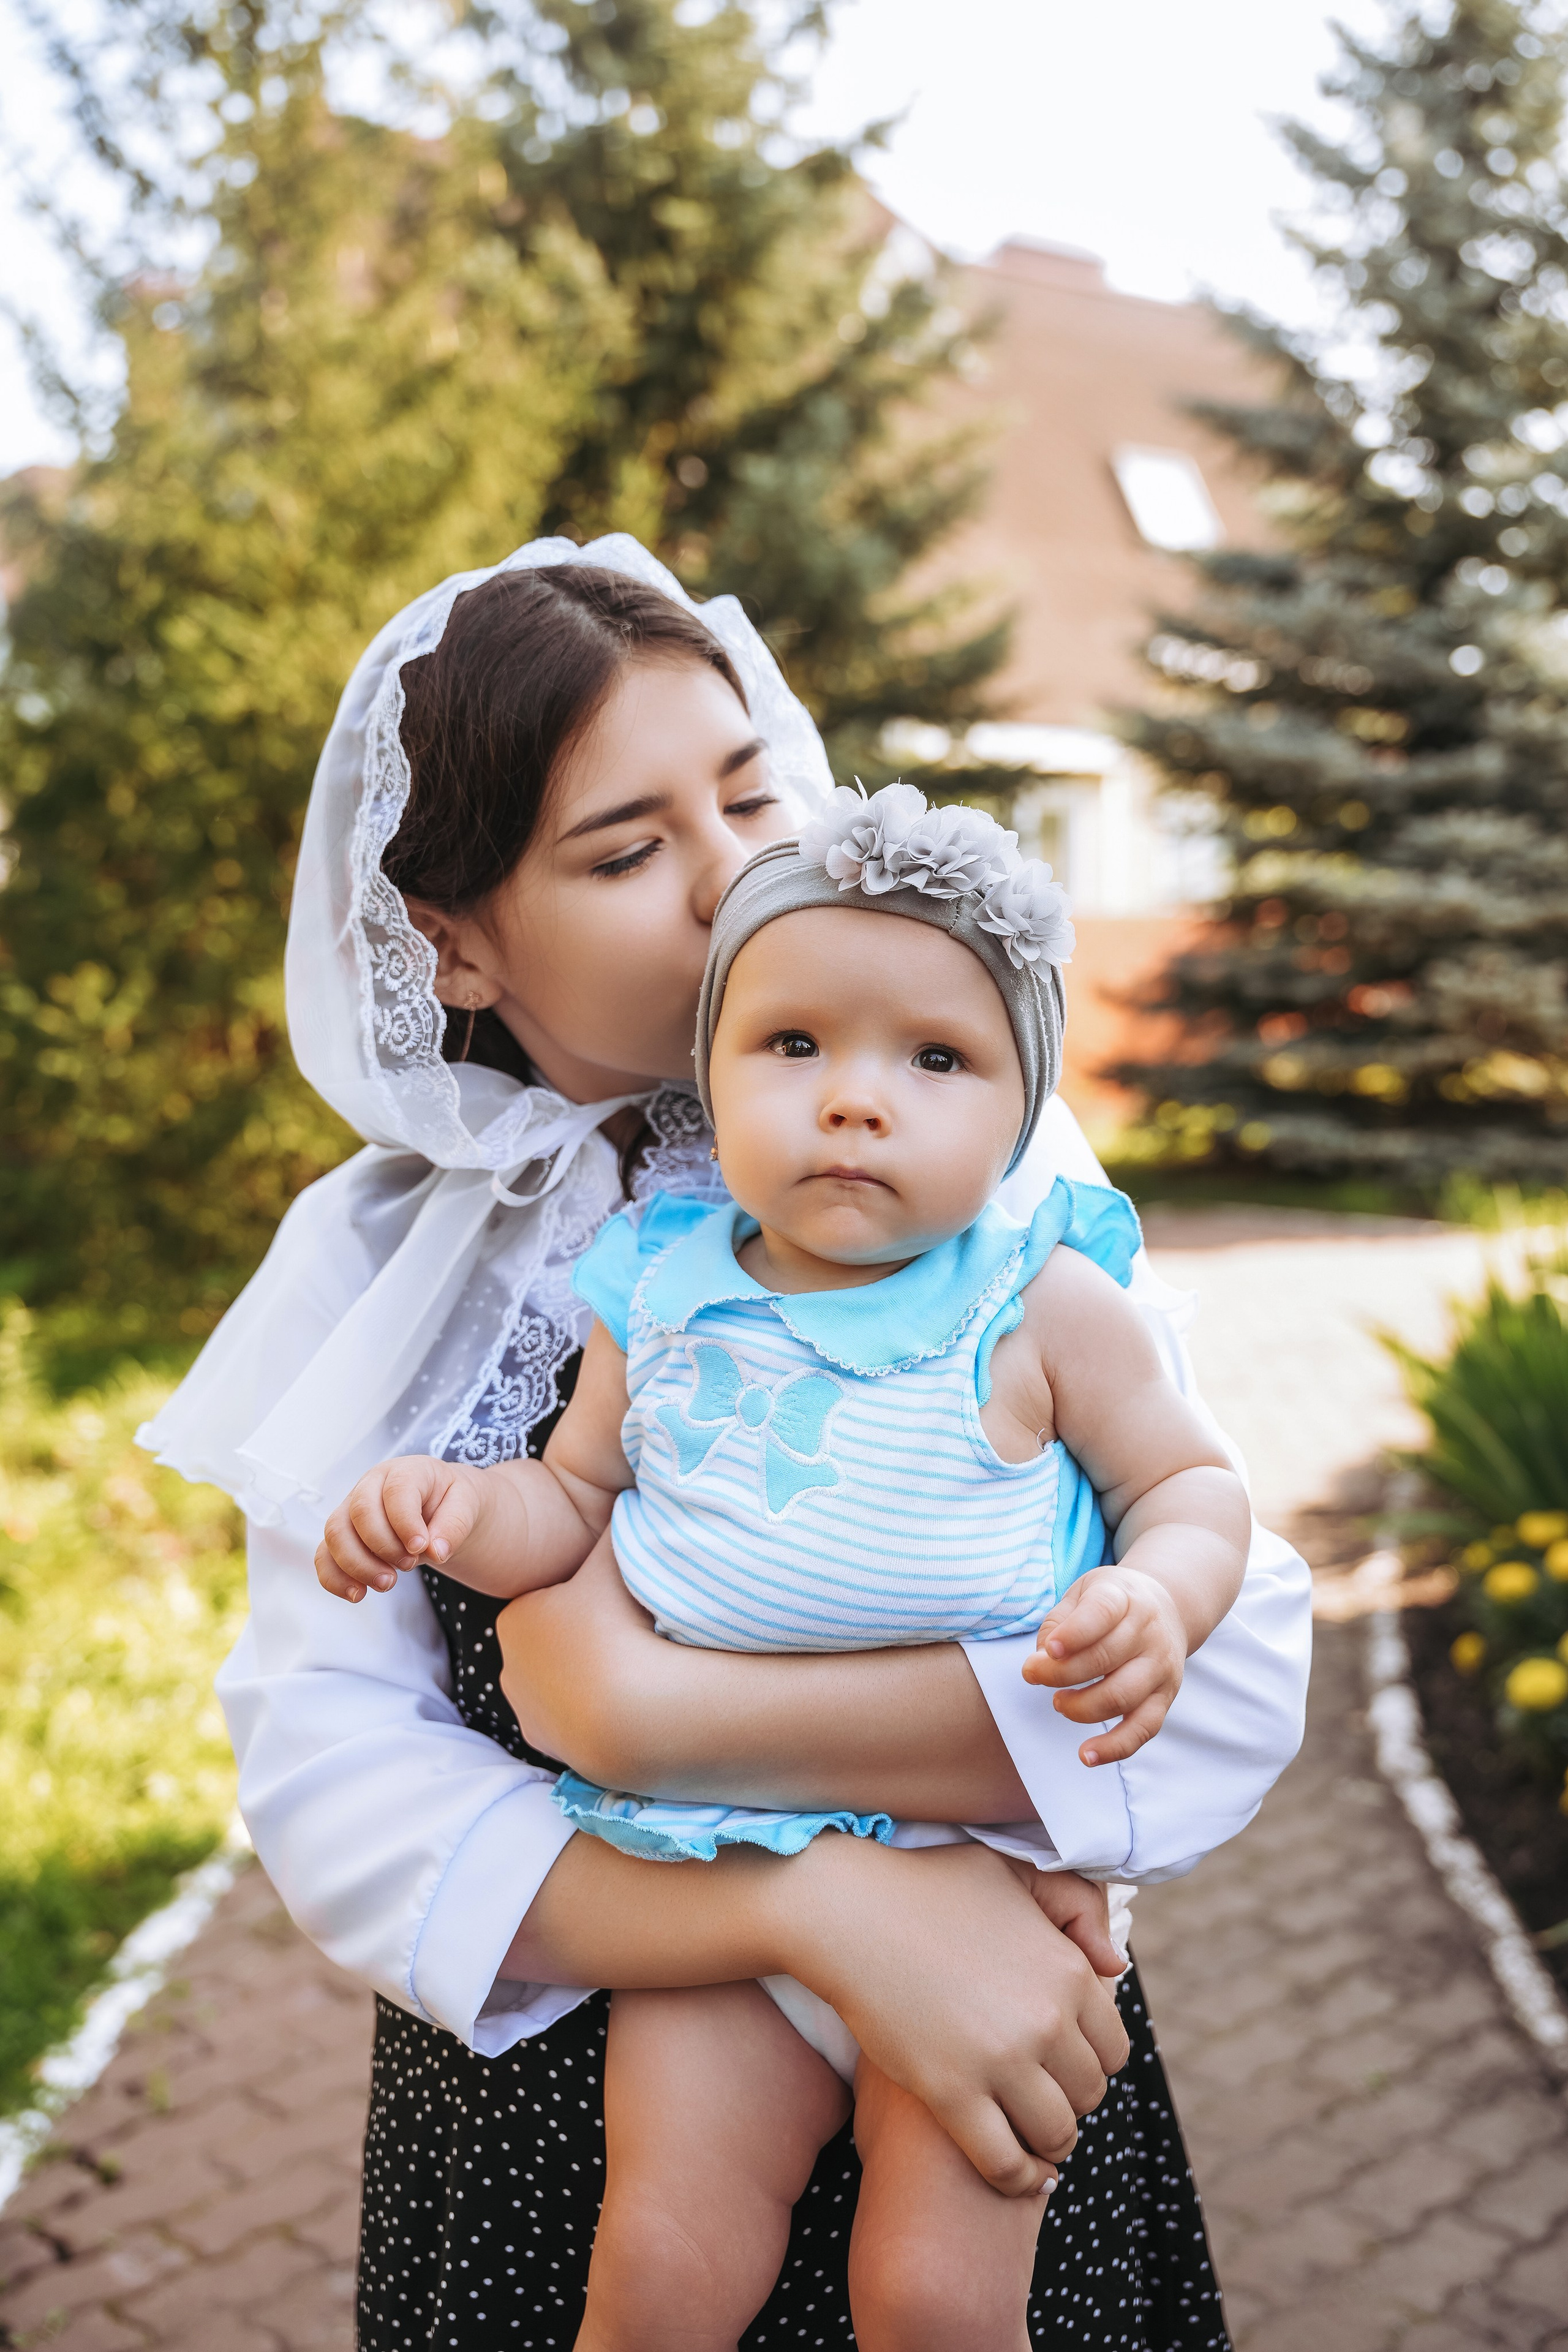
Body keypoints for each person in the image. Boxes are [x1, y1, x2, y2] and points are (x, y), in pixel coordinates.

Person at [138, 536, 1311, 2351]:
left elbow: (1233, 1646)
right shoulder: (378, 1275)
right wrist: (821, 1909)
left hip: (990, 2047)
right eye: (626, 850)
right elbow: (336, 1787)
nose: (734, 873)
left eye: (750, 795)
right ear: (455, 940)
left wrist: (652, 1718)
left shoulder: (968, 1159)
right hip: (566, 2120)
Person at [315, 791, 1255, 2352]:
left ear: (1020, 1107)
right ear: (715, 1073)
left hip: (988, 1879)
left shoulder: (1042, 1304)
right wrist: (448, 1511)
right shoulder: (656, 1294)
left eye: (934, 1059)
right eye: (794, 1046)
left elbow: (1190, 1484)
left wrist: (1161, 1595)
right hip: (719, 1864)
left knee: (931, 2296)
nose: (855, 1102)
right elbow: (571, 1498)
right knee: (661, 2266)